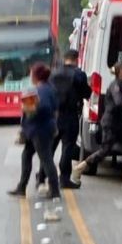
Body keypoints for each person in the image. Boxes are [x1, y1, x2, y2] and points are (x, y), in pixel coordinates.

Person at [72, 62, 122, 188]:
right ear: (121, 71)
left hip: (118, 124)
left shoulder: (121, 84)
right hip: (110, 124)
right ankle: (79, 168)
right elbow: (119, 101)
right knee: (105, 151)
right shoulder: (116, 85)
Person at [39, 49, 90, 189]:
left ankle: (42, 176)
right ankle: (64, 179)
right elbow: (87, 93)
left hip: (54, 116)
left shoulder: (53, 74)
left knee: (50, 148)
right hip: (71, 115)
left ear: (64, 58)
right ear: (76, 59)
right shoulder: (79, 75)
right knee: (67, 148)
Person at [7, 63, 60, 199]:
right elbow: (54, 107)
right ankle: (21, 187)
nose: (30, 76)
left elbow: (43, 108)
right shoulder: (49, 88)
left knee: (46, 159)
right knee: (26, 155)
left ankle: (55, 190)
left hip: (39, 130)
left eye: (31, 73)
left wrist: (28, 108)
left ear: (36, 76)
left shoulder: (41, 91)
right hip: (38, 129)